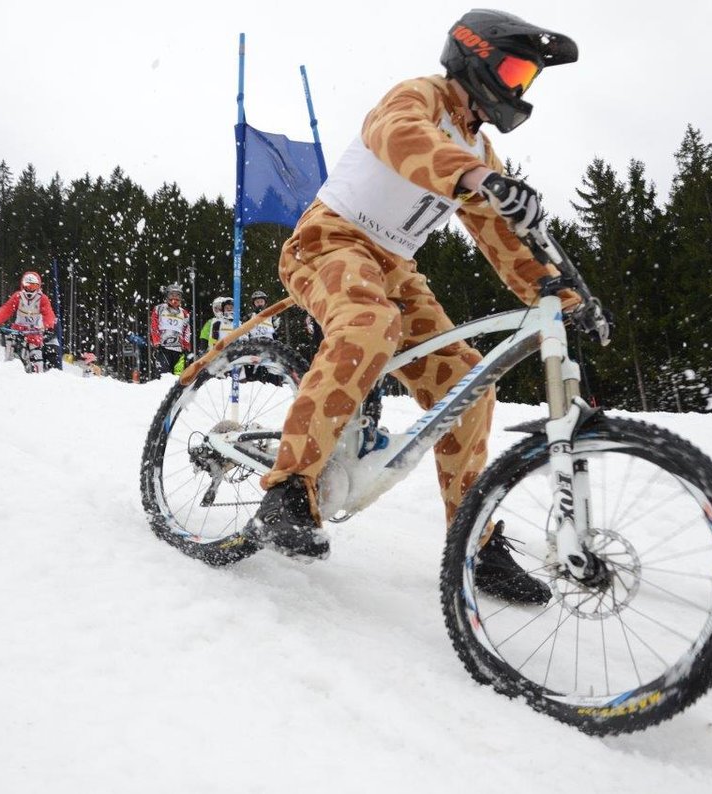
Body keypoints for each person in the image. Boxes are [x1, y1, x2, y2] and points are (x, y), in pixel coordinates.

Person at [246, 10, 583, 603]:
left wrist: (560, 291)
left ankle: (473, 544)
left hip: (395, 268)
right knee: (369, 325)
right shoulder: (419, 96)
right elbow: (400, 137)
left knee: (467, 385)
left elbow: (504, 239)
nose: (516, 86)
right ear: (472, 56)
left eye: (526, 78)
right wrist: (475, 175)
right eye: (512, 68)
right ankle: (288, 490)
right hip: (329, 241)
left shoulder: (477, 146)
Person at [0, 271, 57, 371]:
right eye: (27, 286)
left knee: (36, 351)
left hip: (34, 330)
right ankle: (8, 366)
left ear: (38, 286)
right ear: (23, 285)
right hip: (18, 328)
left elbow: (48, 313)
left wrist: (48, 326)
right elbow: (7, 309)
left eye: (33, 287)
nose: (30, 290)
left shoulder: (42, 298)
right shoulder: (18, 296)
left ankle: (37, 370)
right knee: (11, 342)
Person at [149, 283, 191, 376]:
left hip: (178, 349)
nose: (174, 299)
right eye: (172, 295)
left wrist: (186, 346)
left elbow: (186, 330)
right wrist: (156, 342)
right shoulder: (159, 308)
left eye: (178, 296)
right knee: (163, 376)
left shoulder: (184, 313)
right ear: (167, 296)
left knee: (178, 377)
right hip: (163, 347)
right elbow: (154, 326)